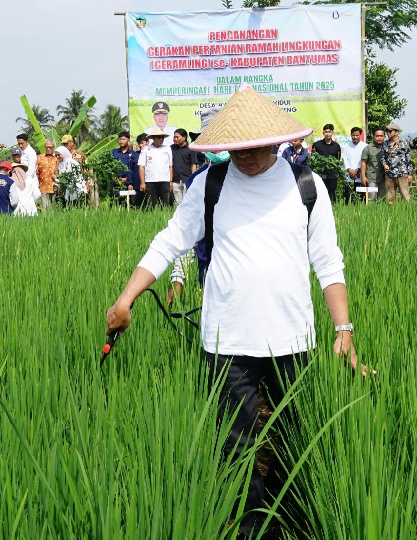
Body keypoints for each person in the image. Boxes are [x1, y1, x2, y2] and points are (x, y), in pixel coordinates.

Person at [104, 85, 358, 537]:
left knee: (293, 439)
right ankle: (249, 528)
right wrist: (126, 299)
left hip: (292, 338)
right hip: (228, 339)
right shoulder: (211, 185)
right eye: (235, 148)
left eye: (255, 147)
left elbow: (328, 259)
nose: (245, 156)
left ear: (277, 142)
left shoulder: (306, 187)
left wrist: (344, 328)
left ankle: (295, 522)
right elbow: (170, 241)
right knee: (236, 447)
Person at [138, 128, 172, 207]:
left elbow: (170, 166)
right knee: (151, 204)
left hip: (164, 180)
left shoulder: (167, 149)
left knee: (165, 204)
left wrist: (170, 181)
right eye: (158, 137)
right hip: (150, 181)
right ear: (153, 138)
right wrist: (142, 183)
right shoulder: (145, 150)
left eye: (162, 137)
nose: (161, 139)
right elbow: (141, 167)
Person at [380, 123, 412, 205]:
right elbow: (382, 157)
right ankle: (391, 215)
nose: (388, 133)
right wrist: (384, 165)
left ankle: (407, 214)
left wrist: (410, 173)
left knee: (405, 197)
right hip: (389, 174)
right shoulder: (385, 144)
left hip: (401, 173)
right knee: (390, 198)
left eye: (390, 131)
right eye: (387, 131)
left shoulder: (404, 143)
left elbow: (409, 159)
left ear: (396, 132)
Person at [311, 124, 342, 202]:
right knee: (320, 193)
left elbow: (338, 159)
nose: (327, 134)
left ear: (332, 133)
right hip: (320, 174)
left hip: (332, 174)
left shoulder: (336, 146)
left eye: (329, 132)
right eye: (326, 132)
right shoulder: (317, 145)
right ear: (323, 133)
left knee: (331, 193)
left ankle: (333, 209)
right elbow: (313, 159)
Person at [169, 128, 198, 206]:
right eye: (174, 137)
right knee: (178, 204)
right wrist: (170, 181)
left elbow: (193, 165)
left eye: (177, 137)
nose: (175, 139)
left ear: (184, 137)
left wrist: (193, 178)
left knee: (188, 202)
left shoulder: (191, 148)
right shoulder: (172, 148)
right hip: (175, 180)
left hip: (187, 180)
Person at [111, 132, 139, 207]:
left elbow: (134, 170)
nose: (121, 141)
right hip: (115, 183)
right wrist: (115, 178)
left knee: (129, 205)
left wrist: (128, 181)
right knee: (115, 204)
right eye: (120, 139)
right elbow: (109, 166)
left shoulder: (134, 155)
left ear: (128, 140)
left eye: (124, 139)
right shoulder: (113, 153)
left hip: (129, 184)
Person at [9, 148, 38, 215]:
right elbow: (37, 195)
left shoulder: (11, 181)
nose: (17, 157)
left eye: (18, 155)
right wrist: (29, 202)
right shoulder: (29, 180)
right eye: (15, 155)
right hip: (30, 209)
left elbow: (14, 201)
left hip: (18, 209)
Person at [342, 127, 368, 202]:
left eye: (357, 135)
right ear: (351, 135)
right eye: (353, 135)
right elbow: (344, 159)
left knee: (360, 197)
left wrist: (357, 170)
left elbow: (365, 160)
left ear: (360, 135)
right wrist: (350, 170)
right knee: (348, 196)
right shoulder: (346, 146)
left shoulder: (365, 146)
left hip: (360, 174)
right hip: (348, 174)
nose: (355, 137)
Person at [360, 127, 385, 202]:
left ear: (384, 136)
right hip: (371, 178)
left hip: (384, 178)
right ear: (373, 136)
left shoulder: (387, 147)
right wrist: (363, 177)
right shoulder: (368, 148)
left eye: (381, 136)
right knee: (371, 199)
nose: (379, 138)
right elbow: (363, 162)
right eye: (377, 136)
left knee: (383, 199)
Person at [16, 133, 40, 202]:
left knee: (31, 200)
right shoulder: (21, 152)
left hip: (30, 180)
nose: (20, 145)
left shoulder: (30, 152)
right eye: (19, 144)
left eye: (22, 143)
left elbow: (31, 170)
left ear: (27, 142)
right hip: (23, 180)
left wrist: (27, 181)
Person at [36, 139, 59, 208]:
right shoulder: (39, 158)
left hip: (55, 188)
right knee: (45, 210)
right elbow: (36, 172)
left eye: (50, 147)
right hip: (43, 187)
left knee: (55, 210)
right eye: (47, 147)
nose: (48, 149)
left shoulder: (57, 158)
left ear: (54, 147)